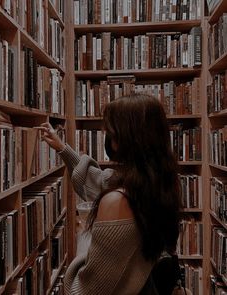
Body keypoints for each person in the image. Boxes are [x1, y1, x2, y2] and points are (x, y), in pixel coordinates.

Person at [38, 94, 182, 294]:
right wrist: (63, 149)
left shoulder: (117, 201)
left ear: (129, 137)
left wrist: (85, 234)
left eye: (111, 131)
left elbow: (83, 291)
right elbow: (97, 180)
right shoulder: (160, 183)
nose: (107, 137)